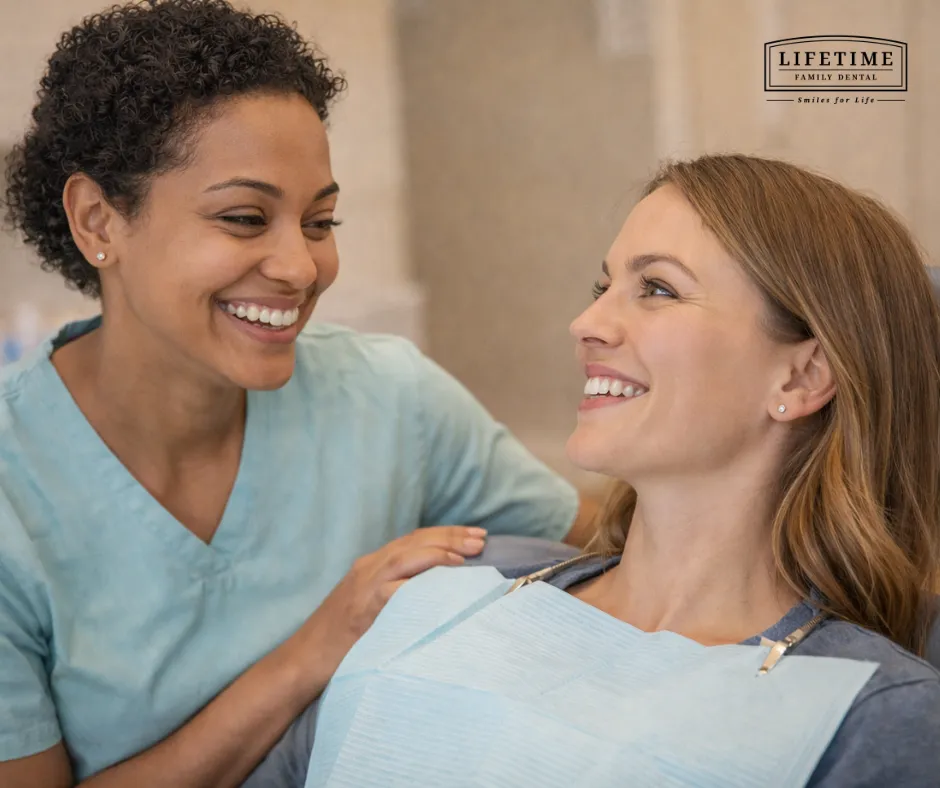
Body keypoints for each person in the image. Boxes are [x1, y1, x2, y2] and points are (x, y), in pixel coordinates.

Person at [0, 1, 595, 785]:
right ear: (98, 219)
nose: (301, 267)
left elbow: (614, 547)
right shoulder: (16, 488)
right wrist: (315, 650)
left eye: (320, 221)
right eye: (245, 218)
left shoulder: (389, 399)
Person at [244, 154, 940, 788]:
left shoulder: (874, 712)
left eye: (659, 290)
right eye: (603, 286)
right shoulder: (447, 585)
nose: (587, 322)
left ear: (804, 372)